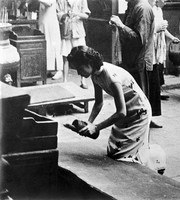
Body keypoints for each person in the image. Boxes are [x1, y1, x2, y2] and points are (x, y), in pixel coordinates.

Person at [67, 45, 166, 173]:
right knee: (115, 152)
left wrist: (96, 127)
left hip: (139, 112)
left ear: (90, 63)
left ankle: (158, 160)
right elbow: (98, 103)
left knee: (125, 157)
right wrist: (89, 123)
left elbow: (121, 112)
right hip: (125, 111)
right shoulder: (95, 75)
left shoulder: (111, 77)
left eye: (79, 68)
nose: (79, 73)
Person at [109, 0, 155, 98]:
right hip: (130, 60)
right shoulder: (132, 5)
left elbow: (140, 40)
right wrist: (118, 27)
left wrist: (121, 26)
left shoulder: (143, 8)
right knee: (130, 97)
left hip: (140, 61)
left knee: (140, 99)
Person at [148, 0, 180, 128]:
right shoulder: (146, 9)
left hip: (158, 51)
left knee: (155, 84)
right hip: (150, 50)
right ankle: (146, 118)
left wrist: (172, 37)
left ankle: (151, 117)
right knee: (150, 84)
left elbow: (163, 29)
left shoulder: (158, 10)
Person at [56, 0, 90, 88]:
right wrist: (65, 15)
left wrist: (76, 13)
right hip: (66, 31)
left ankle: (83, 80)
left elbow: (86, 15)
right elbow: (58, 14)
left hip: (78, 31)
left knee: (82, 56)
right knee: (65, 57)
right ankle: (65, 80)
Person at [38, 0, 63, 79]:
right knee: (46, 46)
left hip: (51, 25)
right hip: (43, 24)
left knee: (54, 46)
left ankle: (59, 70)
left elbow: (49, 3)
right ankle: (49, 69)